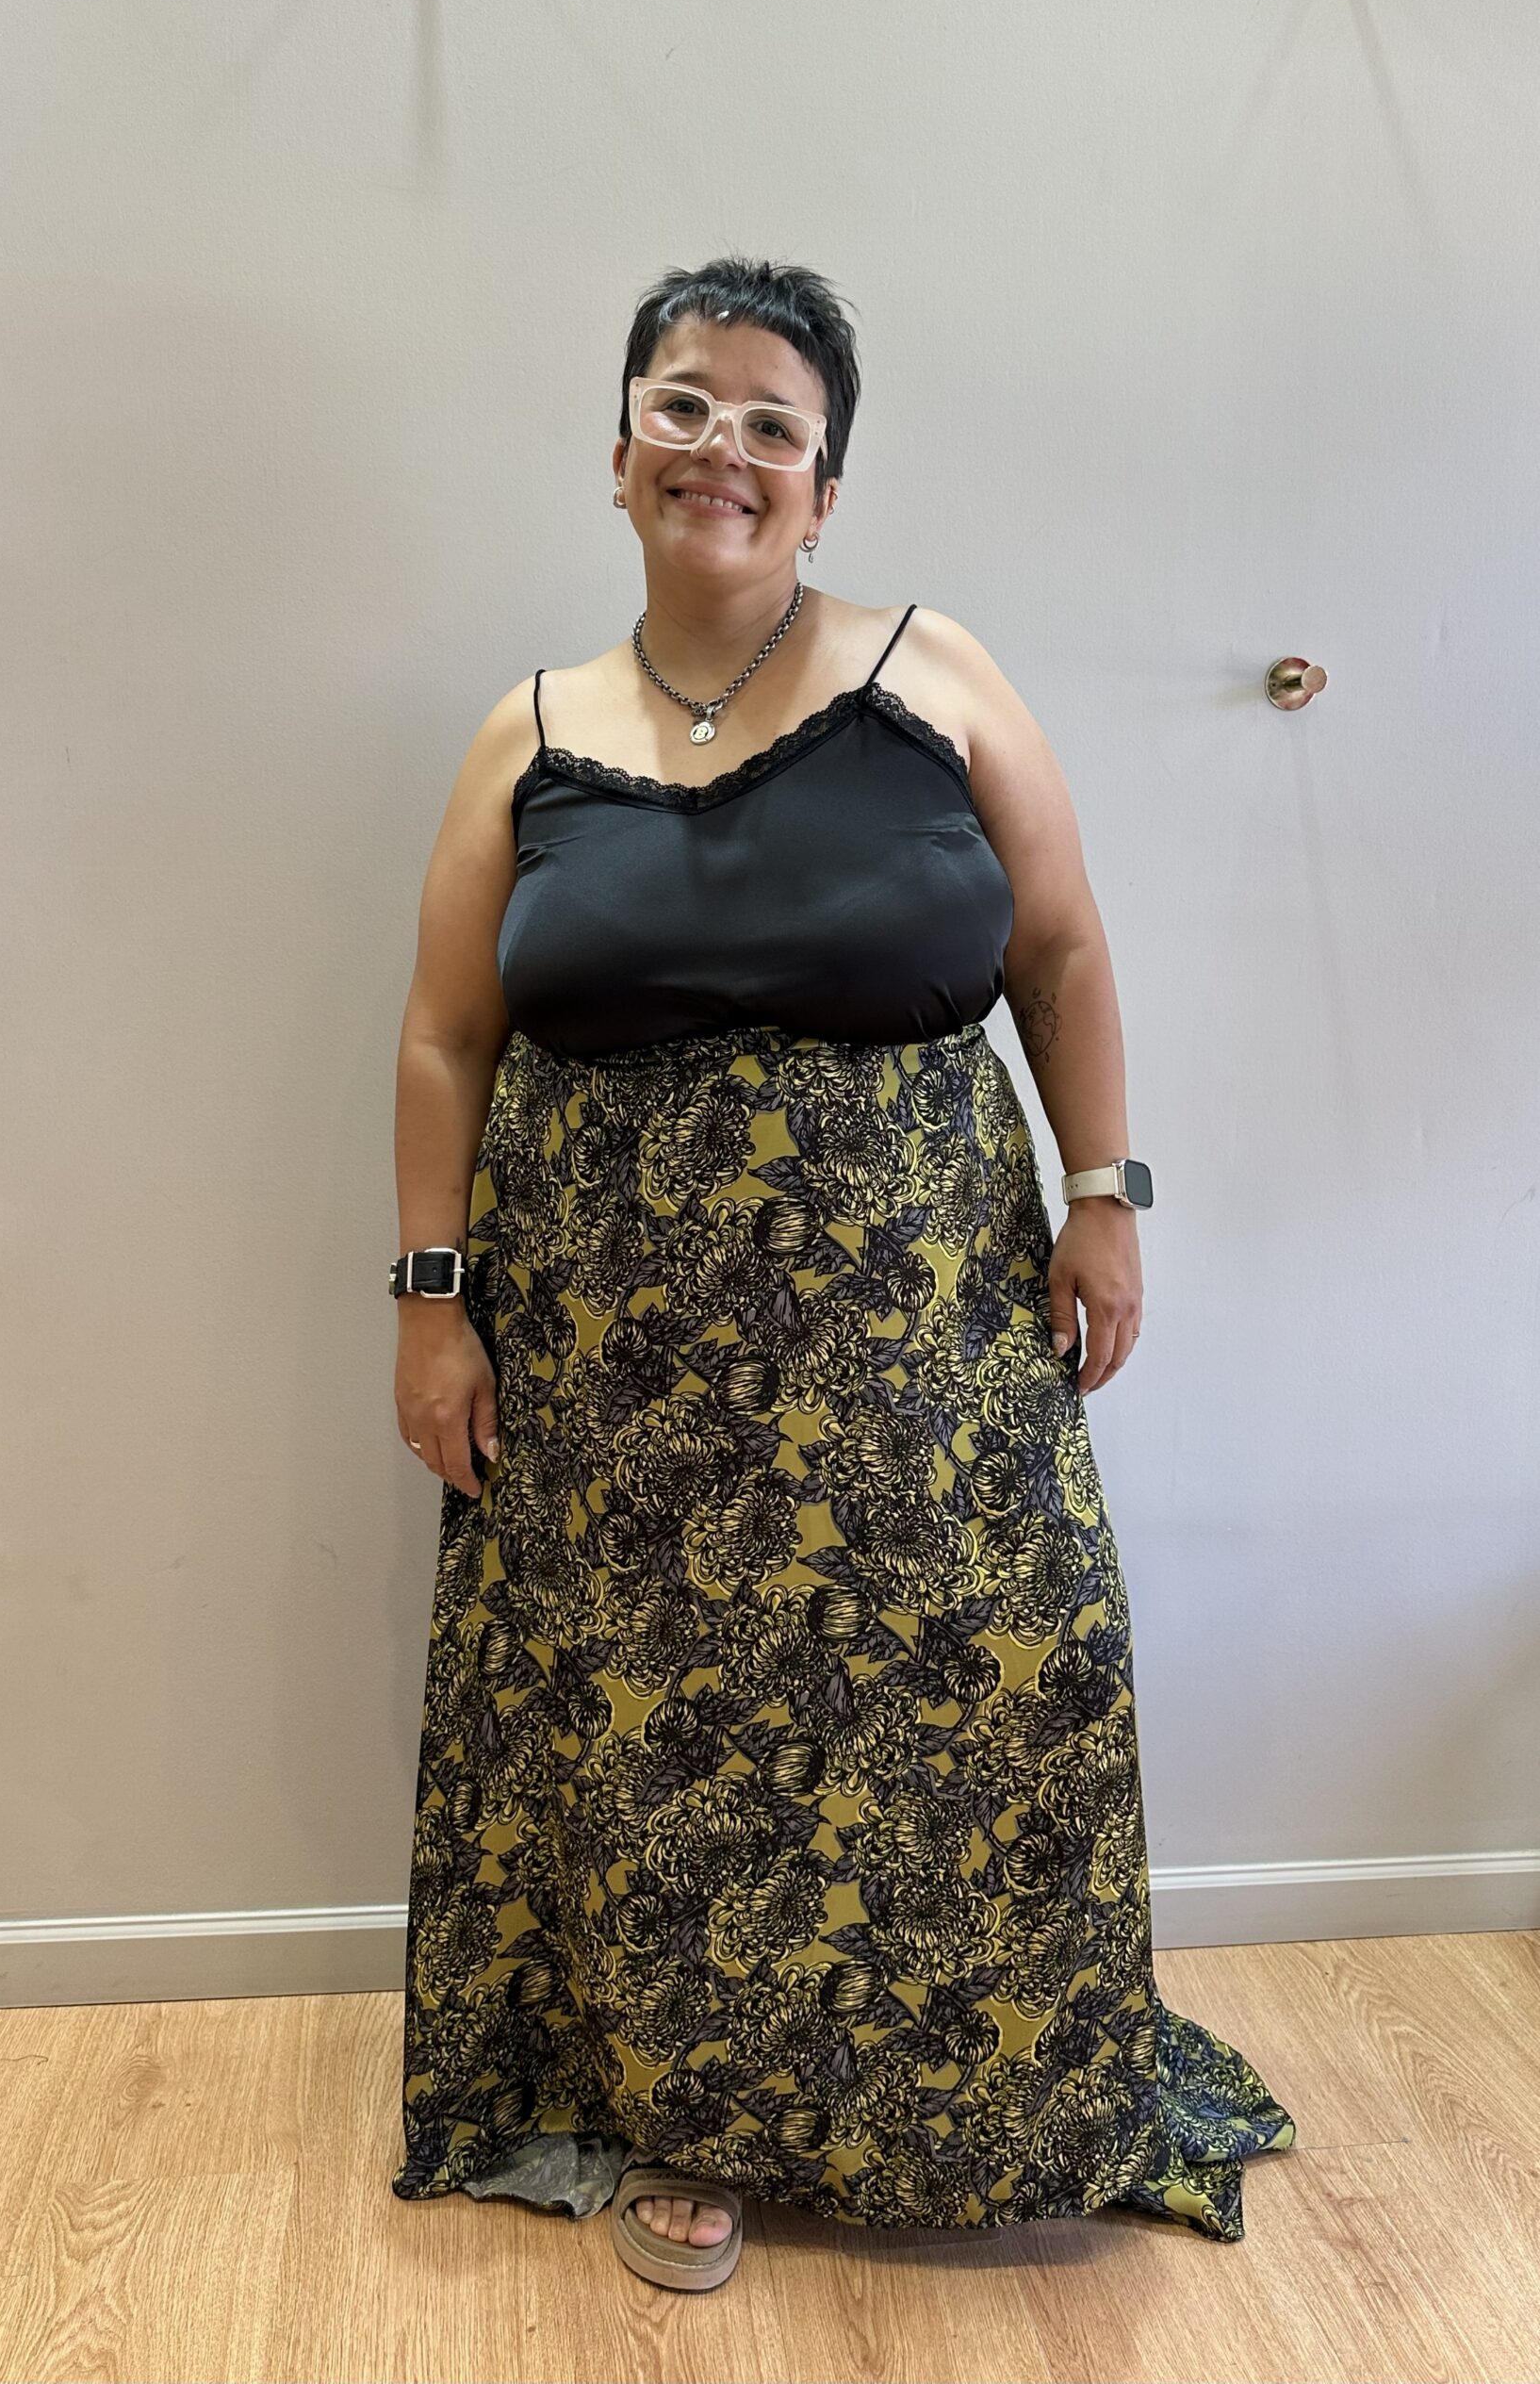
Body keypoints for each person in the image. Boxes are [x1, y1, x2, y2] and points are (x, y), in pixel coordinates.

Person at [386, 255, 1294, 2293]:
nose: (720, 446)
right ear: (620, 448)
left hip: (925, 1327)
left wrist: (1106, 1192)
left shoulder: (931, 673)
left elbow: (1059, 945)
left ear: (823, 484)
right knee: (659, 1735)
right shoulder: (527, 735)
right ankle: (691, 2122)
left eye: (770, 423)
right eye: (682, 404)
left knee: (984, 1677)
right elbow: (446, 1035)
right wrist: (433, 1298)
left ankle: (972, 2103)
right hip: (615, 1354)